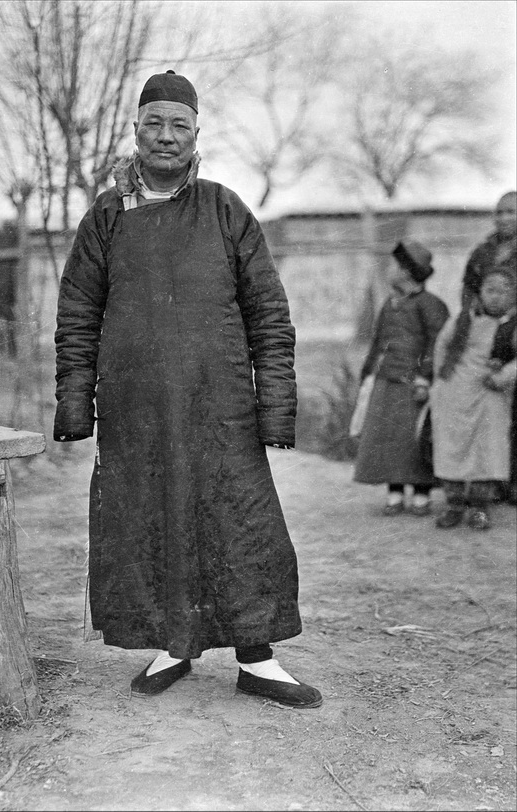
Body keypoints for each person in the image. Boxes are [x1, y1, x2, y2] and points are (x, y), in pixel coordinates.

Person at [53, 70, 321, 709]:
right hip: (135, 408)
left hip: (219, 404)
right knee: (148, 520)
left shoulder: (226, 211)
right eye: (154, 123)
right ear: (137, 131)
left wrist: (275, 409)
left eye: (179, 125)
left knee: (241, 521)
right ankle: (174, 643)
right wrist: (74, 403)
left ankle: (258, 659)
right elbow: (78, 314)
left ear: (196, 133)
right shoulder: (106, 218)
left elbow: (269, 316)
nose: (166, 136)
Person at [353, 240, 449, 515]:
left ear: (407, 272)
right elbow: (378, 341)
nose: (390, 270)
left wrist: (425, 378)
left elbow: (436, 344)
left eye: (395, 265)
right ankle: (394, 491)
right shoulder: (389, 304)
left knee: (415, 438)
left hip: (414, 384)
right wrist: (368, 372)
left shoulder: (430, 305)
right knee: (389, 438)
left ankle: (421, 492)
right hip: (387, 380)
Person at [443, 191, 517, 503]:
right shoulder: (482, 252)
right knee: (491, 411)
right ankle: (491, 480)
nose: (503, 218)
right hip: (487, 333)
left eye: (511, 212)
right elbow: (469, 291)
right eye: (499, 212)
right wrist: (475, 320)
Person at [431, 268, 516, 529]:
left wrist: (501, 377)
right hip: (455, 392)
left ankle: (479, 506)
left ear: (513, 294)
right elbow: (441, 349)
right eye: (490, 289)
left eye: (502, 290)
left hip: (491, 395)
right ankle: (455, 504)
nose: (495, 296)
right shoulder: (460, 321)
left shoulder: (512, 326)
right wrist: (440, 383)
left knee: (486, 450)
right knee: (452, 446)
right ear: (479, 292)